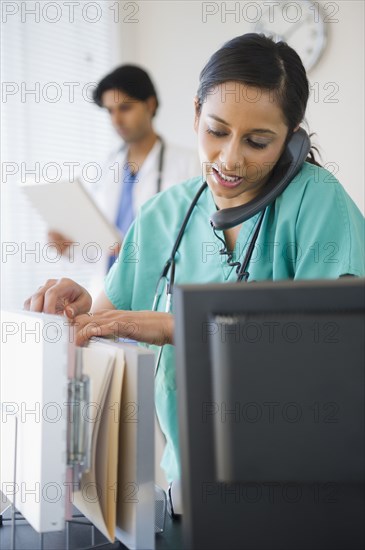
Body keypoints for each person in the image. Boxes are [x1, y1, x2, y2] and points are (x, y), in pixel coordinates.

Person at [25, 34, 365, 506]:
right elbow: (103, 325)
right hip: (187, 491)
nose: (230, 159)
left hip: (306, 488)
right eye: (216, 130)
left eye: (258, 141)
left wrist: (180, 328)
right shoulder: (164, 213)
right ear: (195, 113)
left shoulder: (316, 202)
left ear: (292, 137)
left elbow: (337, 355)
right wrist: (79, 308)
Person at [48, 64, 200, 267]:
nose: (116, 120)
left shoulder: (189, 164)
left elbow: (198, 238)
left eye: (125, 108)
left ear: (150, 105)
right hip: (107, 290)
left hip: (157, 287)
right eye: (110, 111)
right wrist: (69, 246)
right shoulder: (104, 168)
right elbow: (99, 245)